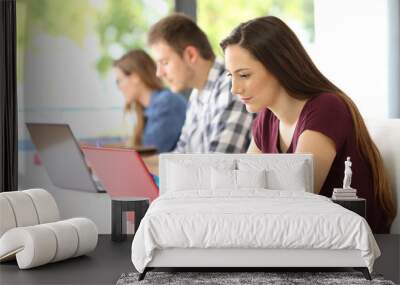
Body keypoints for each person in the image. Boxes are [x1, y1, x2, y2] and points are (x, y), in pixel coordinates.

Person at [220, 16, 396, 233]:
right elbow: (243, 190)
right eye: (230, 76)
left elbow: (297, 200)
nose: (234, 88)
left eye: (244, 75)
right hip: (302, 241)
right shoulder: (266, 119)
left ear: (280, 67)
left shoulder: (326, 108)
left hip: (351, 250)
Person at [147, 13, 254, 153]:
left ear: (191, 55)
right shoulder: (197, 94)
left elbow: (219, 165)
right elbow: (181, 155)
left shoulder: (231, 86)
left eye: (164, 62)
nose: (159, 73)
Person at [113, 49, 187, 153]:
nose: (119, 87)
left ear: (135, 77)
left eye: (119, 81)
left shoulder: (167, 102)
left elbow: (150, 152)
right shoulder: (145, 110)